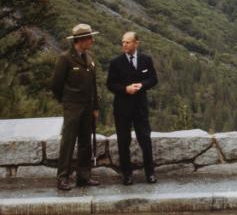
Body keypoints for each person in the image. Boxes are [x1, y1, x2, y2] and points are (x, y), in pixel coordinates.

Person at [50, 24, 101, 191]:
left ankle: (83, 177)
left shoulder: (90, 57)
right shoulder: (65, 58)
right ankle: (62, 178)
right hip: (72, 106)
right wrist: (66, 102)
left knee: (85, 142)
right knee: (68, 142)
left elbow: (93, 85)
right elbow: (56, 85)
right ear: (80, 40)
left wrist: (95, 107)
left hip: (87, 107)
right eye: (89, 38)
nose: (92, 40)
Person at [106, 31, 158, 185]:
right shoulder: (116, 62)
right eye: (123, 42)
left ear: (136, 43)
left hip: (140, 107)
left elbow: (154, 79)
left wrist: (142, 85)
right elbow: (110, 84)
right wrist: (125, 89)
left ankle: (150, 173)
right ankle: (127, 174)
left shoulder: (145, 60)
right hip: (122, 108)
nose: (124, 45)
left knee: (145, 140)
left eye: (128, 42)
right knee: (123, 141)